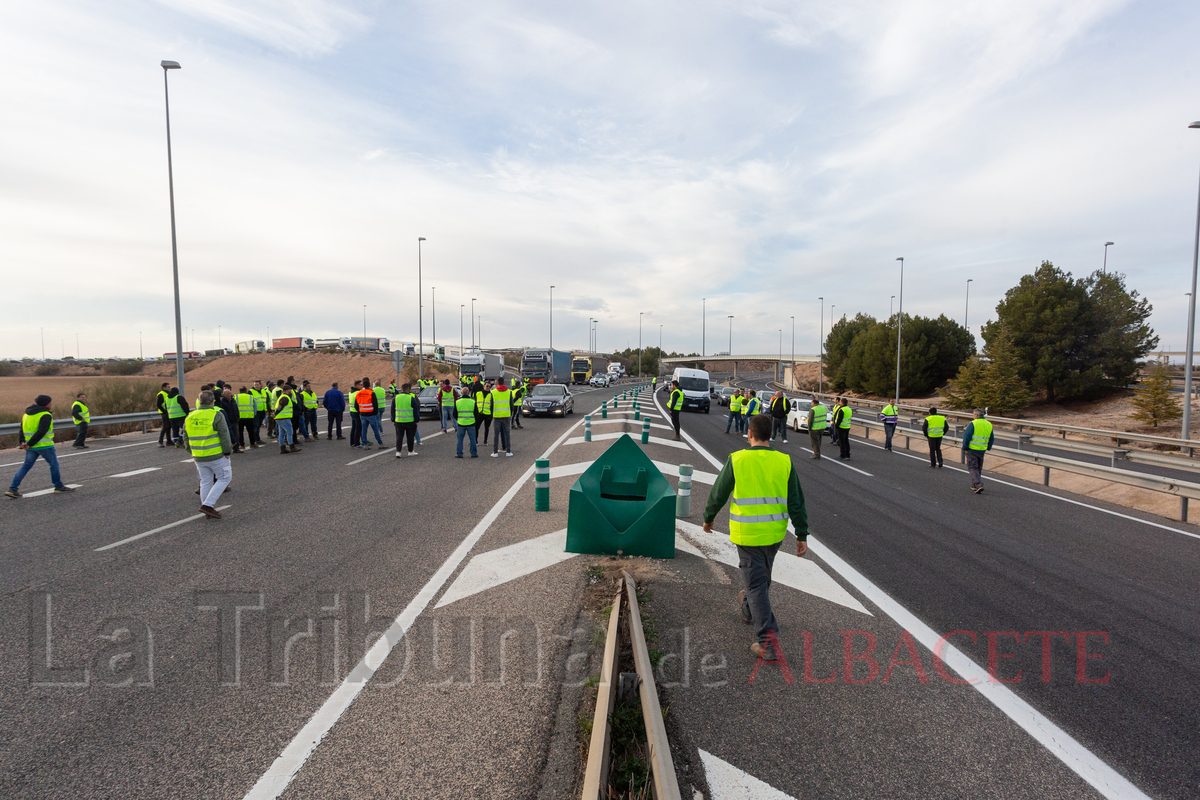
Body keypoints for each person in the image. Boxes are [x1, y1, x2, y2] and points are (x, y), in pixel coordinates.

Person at [703, 414, 807, 661]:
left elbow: (719, 493)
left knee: (757, 585)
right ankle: (749, 609)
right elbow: (796, 502)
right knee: (761, 579)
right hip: (774, 535)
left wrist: (708, 518)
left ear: (749, 434)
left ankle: (768, 643)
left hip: (748, 534)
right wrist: (801, 533)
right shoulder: (784, 462)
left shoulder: (737, 460)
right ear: (770, 435)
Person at [6, 395, 74, 498]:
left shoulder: (26, 414)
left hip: (31, 447)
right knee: (54, 465)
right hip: (44, 446)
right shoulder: (45, 415)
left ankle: (12, 489)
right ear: (46, 404)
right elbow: (41, 432)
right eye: (50, 402)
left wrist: (23, 442)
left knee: (26, 466)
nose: (51, 404)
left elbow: (22, 429)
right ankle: (58, 486)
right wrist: (29, 444)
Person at [183, 390, 232, 519]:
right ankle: (208, 505)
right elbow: (224, 434)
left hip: (198, 456)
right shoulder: (216, 414)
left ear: (199, 401)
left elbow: (185, 437)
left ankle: (207, 509)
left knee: (205, 481)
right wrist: (227, 451)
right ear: (212, 401)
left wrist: (191, 451)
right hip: (215, 454)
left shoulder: (190, 416)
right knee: (224, 477)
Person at [962, 408, 994, 493]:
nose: (973, 416)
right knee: (978, 468)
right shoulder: (988, 424)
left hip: (972, 449)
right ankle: (974, 485)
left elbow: (967, 436)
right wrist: (988, 447)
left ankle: (978, 484)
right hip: (982, 449)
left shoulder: (973, 423)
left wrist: (965, 447)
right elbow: (991, 437)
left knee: (972, 467)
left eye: (973, 415)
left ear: (976, 415)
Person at [393, 383, 419, 457]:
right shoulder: (411, 398)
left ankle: (398, 452)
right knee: (410, 437)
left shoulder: (396, 398)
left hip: (398, 420)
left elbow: (393, 410)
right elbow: (415, 411)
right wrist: (416, 421)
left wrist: (393, 420)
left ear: (401, 389)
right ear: (409, 389)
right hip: (410, 421)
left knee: (399, 437)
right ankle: (410, 451)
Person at [489, 378, 514, 457]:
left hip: (497, 416)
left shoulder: (493, 392)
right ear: (503, 382)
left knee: (496, 434)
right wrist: (510, 413)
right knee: (507, 433)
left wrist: (492, 413)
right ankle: (508, 451)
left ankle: (495, 452)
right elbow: (511, 405)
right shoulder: (509, 392)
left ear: (497, 383)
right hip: (506, 415)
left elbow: (491, 405)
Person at [357, 379, 384, 449]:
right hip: (370, 414)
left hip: (362, 414)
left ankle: (365, 444)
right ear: (369, 385)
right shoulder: (371, 393)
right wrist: (375, 413)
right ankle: (380, 443)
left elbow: (355, 404)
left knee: (364, 430)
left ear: (363, 385)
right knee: (375, 429)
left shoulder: (359, 393)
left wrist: (360, 411)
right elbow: (375, 404)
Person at [275, 384, 300, 454]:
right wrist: (276, 413)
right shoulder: (285, 398)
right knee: (290, 431)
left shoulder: (282, 397)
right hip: (284, 418)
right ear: (286, 390)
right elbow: (280, 406)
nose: (291, 391)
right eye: (290, 390)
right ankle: (291, 446)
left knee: (282, 433)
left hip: (279, 418)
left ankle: (282, 448)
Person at [454, 386, 478, 458]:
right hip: (471, 423)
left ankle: (459, 453)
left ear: (461, 393)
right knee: (472, 439)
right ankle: (473, 453)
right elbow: (476, 413)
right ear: (468, 393)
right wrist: (474, 420)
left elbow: (454, 413)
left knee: (460, 439)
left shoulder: (458, 402)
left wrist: (458, 419)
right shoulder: (473, 402)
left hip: (461, 423)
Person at [217, 388, 241, 453]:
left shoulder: (233, 400)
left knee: (236, 435)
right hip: (227, 421)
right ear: (223, 394)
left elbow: (236, 409)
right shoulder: (222, 402)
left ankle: (236, 448)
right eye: (228, 393)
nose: (229, 394)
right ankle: (227, 449)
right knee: (227, 435)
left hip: (234, 420)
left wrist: (238, 416)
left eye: (230, 393)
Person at [156, 382, 173, 447]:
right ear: (164, 388)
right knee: (165, 426)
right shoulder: (161, 394)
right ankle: (160, 441)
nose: (169, 388)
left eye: (169, 387)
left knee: (168, 427)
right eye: (168, 387)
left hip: (168, 412)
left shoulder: (168, 394)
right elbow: (158, 404)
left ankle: (169, 441)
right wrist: (164, 411)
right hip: (164, 413)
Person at [478, 380, 494, 445]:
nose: (488, 387)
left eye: (489, 386)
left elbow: (493, 404)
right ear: (483, 386)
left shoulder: (491, 395)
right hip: (480, 413)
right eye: (487, 386)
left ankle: (485, 441)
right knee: (476, 427)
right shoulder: (478, 393)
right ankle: (476, 441)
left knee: (486, 428)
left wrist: (492, 414)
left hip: (488, 414)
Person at [348, 379, 362, 447]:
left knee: (353, 427)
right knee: (358, 428)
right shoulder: (357, 393)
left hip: (352, 411)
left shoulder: (351, 392)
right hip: (357, 412)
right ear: (357, 385)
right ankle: (357, 443)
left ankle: (352, 442)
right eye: (361, 385)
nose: (362, 386)